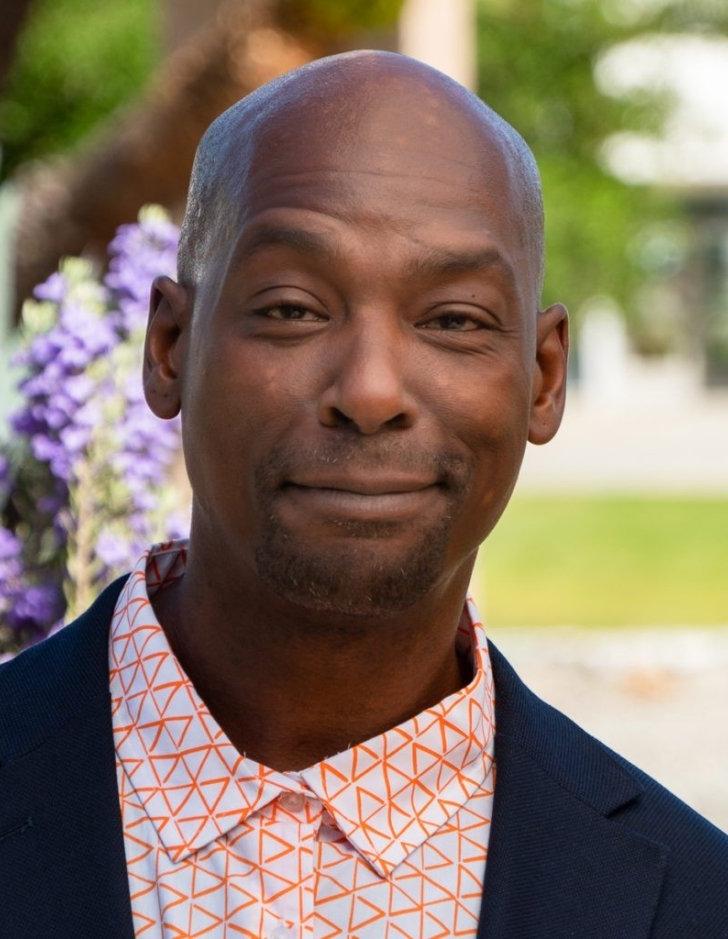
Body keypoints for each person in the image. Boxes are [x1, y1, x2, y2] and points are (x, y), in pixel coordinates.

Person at [0, 50, 726, 939]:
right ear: (169, 347)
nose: (372, 390)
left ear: (541, 379)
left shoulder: (695, 901)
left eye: (453, 318)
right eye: (295, 307)